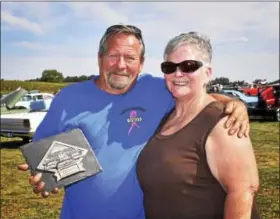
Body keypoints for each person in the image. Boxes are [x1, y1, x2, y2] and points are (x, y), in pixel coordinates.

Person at [18, 25, 250, 219]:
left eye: (130, 58)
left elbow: (194, 93)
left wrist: (233, 103)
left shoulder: (158, 90)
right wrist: (43, 176)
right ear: (100, 58)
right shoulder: (68, 98)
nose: (121, 65)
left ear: (141, 62)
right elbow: (44, 157)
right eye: (113, 56)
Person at [136, 32, 260, 219]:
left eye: (189, 66)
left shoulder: (224, 121)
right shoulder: (168, 114)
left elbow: (243, 192)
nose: (178, 73)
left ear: (207, 73)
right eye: (169, 67)